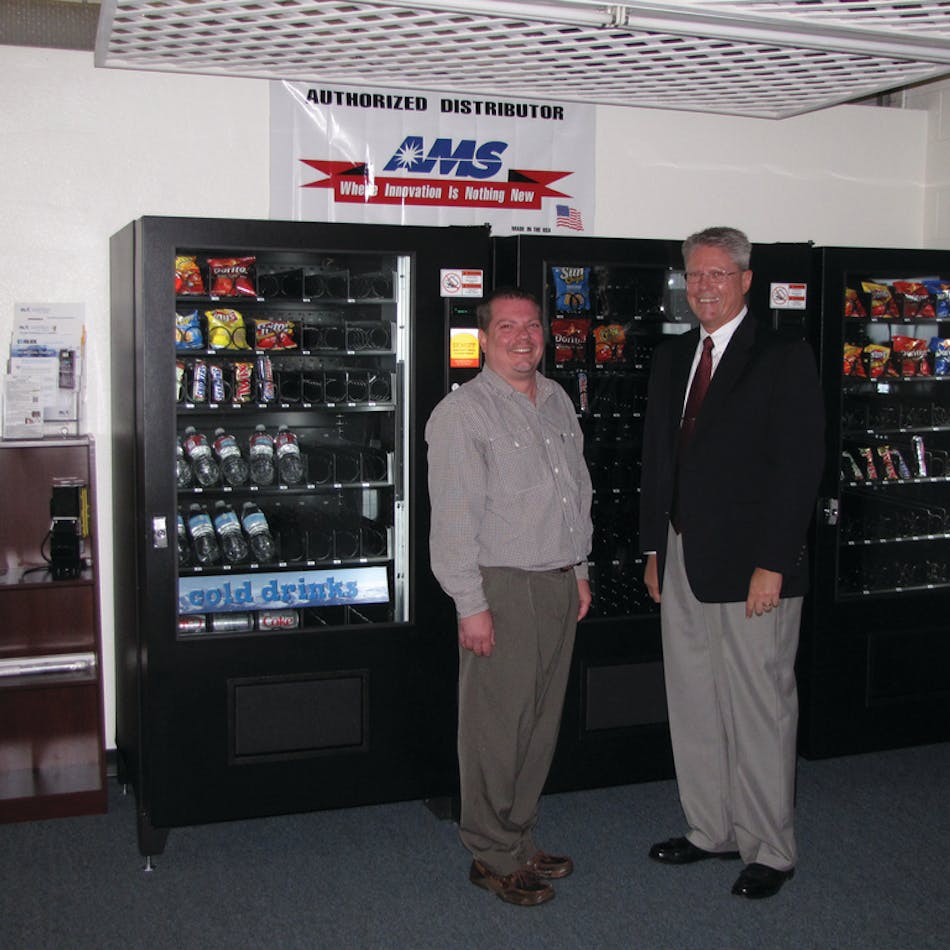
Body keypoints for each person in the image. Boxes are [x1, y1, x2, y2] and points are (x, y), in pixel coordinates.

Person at [639, 226, 824, 900]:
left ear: (747, 280)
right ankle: (710, 829)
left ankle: (770, 849)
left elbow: (798, 468)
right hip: (683, 555)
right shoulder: (673, 357)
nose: (704, 287)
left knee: (760, 704)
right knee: (693, 699)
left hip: (755, 566)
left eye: (718, 274)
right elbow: (658, 463)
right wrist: (656, 549)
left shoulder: (782, 355)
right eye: (694, 276)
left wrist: (775, 562)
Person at [425, 286, 593, 907]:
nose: (523, 337)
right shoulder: (463, 414)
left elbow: (578, 490)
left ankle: (519, 839)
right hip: (501, 585)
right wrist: (471, 603)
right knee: (496, 729)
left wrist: (579, 567)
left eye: (532, 327)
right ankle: (491, 854)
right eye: (507, 328)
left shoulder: (555, 401)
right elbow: (455, 520)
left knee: (539, 725)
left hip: (556, 581)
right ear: (485, 338)